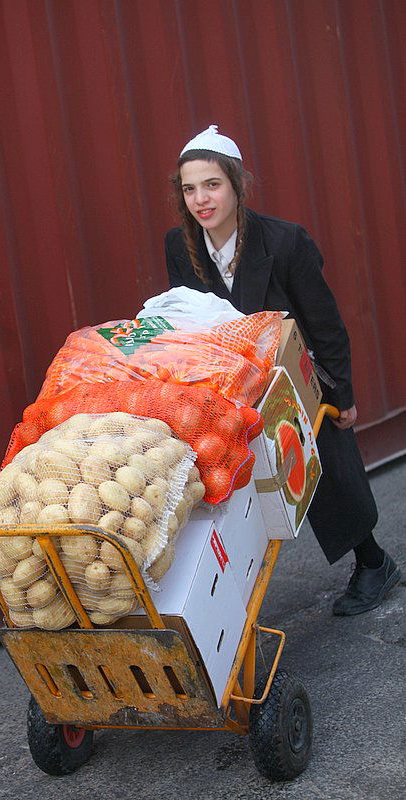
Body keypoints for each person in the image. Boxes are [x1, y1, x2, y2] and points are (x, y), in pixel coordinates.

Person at [164, 124, 400, 616]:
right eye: (190, 189)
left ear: (236, 185)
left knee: (325, 467)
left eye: (212, 185)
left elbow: (326, 323)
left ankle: (374, 563)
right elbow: (187, 318)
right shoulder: (179, 246)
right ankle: (223, 602)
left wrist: (344, 393)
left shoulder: (285, 241)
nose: (201, 199)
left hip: (294, 375)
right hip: (229, 382)